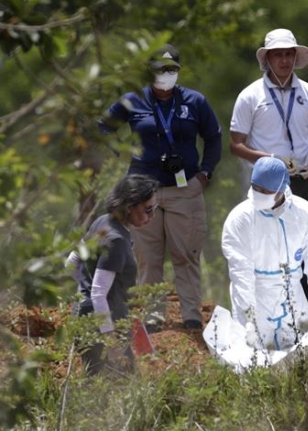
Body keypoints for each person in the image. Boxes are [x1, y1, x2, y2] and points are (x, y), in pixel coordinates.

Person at [98, 44, 223, 330]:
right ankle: (154, 315)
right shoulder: (132, 100)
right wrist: (120, 153)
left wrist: (205, 174)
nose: (165, 75)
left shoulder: (194, 101)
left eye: (171, 69)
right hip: (142, 191)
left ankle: (191, 314)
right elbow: (103, 126)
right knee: (148, 256)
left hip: (184, 188)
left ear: (178, 71)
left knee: (187, 253)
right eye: (159, 69)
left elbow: (214, 138)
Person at [221, 156, 308, 351]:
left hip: (293, 295)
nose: (259, 194)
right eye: (256, 188)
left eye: (266, 191)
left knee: (304, 357)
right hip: (256, 295)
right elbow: (241, 273)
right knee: (254, 361)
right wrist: (250, 318)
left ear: (282, 188)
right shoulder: (241, 218)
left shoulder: (304, 213)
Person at [69, 174, 159, 375]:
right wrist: (111, 342)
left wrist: (83, 290)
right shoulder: (117, 240)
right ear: (130, 206)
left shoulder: (102, 221)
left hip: (84, 317)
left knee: (97, 382)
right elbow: (99, 294)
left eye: (154, 209)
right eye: (148, 210)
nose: (152, 216)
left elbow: (71, 262)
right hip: (103, 324)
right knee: (119, 384)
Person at [229, 28, 308, 214]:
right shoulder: (250, 95)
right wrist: (272, 159)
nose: (285, 60)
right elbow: (235, 145)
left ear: (296, 57)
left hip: (303, 177)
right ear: (268, 59)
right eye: (278, 55)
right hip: (267, 180)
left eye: (289, 54)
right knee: (268, 235)